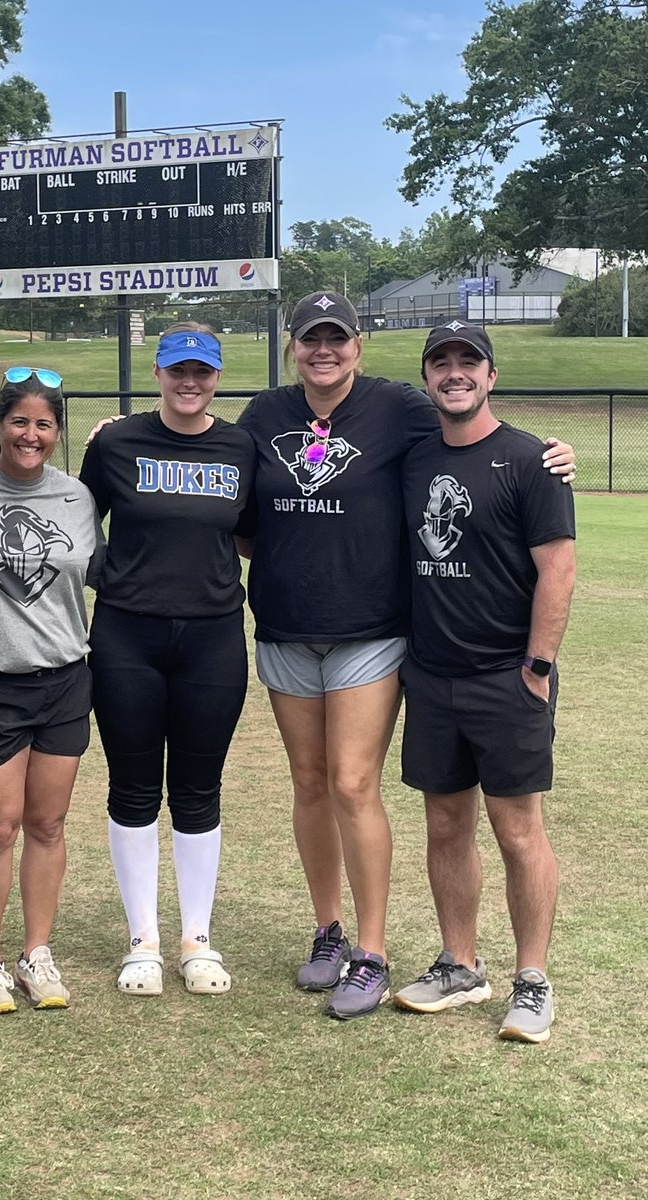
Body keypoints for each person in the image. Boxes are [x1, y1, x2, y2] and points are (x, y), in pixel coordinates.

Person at [235, 293, 575, 1021]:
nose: (323, 350)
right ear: (293, 346)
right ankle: (362, 939)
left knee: (370, 788)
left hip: (390, 638)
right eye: (310, 339)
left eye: (337, 339)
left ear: (359, 346)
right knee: (324, 785)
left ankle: (392, 953)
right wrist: (118, 431)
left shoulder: (405, 412)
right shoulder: (266, 416)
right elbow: (233, 507)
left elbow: (541, 533)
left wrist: (555, 457)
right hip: (320, 638)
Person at [392, 321, 575, 1044]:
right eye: (442, 363)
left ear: (491, 376)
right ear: (428, 377)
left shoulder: (532, 460)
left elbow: (557, 569)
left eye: (470, 362)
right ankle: (460, 966)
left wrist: (536, 667)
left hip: (507, 676)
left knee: (517, 831)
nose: (456, 373)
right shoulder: (412, 460)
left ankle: (532, 980)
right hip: (432, 675)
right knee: (444, 823)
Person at [79, 323, 256, 997]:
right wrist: (109, 570)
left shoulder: (240, 445)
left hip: (212, 637)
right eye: (178, 370)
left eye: (202, 372)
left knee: (197, 788)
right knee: (131, 786)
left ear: (216, 376)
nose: (190, 383)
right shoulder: (118, 441)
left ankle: (196, 939)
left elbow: (255, 529)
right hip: (128, 634)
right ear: (157, 372)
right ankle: (142, 940)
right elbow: (73, 515)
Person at [0, 368, 104, 1016]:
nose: (30, 434)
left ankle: (36, 953)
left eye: (43, 424)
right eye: (19, 421)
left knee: (47, 823)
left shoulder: (77, 498)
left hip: (65, 679)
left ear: (56, 432)